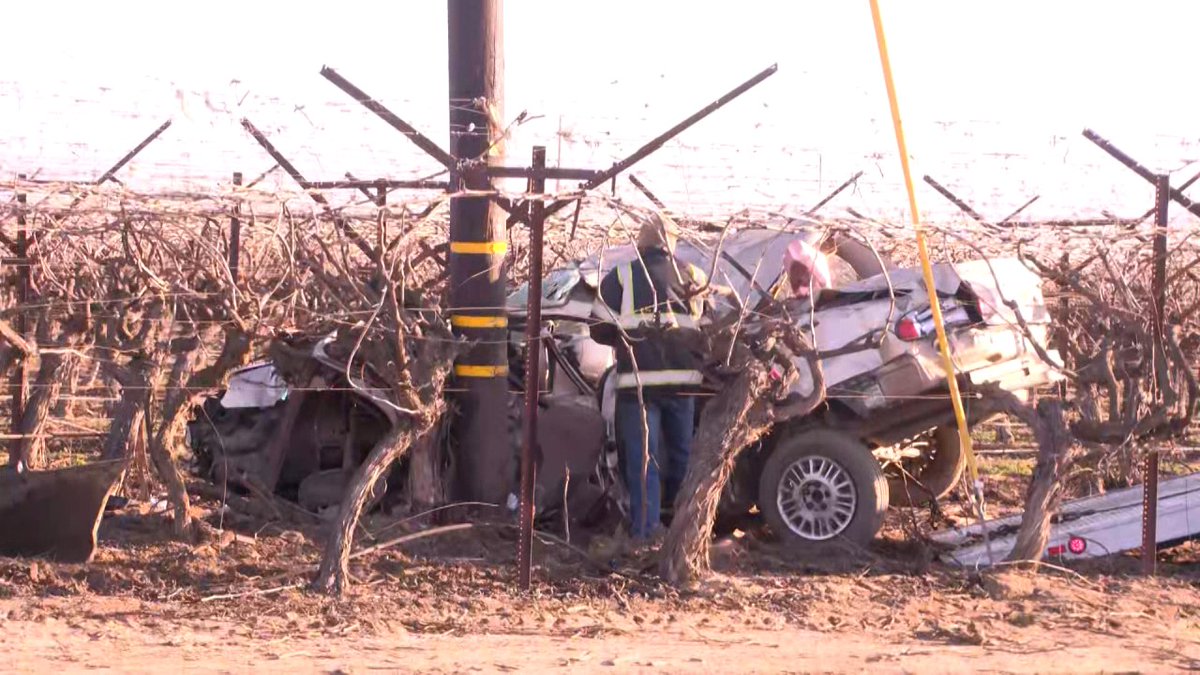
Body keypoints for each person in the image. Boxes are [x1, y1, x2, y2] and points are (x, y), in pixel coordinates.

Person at [589, 213, 708, 540]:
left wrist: (624, 341)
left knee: (645, 462)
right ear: (672, 242)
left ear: (640, 242)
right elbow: (707, 328)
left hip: (638, 386)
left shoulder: (622, 276)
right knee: (684, 457)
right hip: (684, 386)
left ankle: (645, 532)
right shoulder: (693, 275)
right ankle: (683, 531)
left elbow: (597, 328)